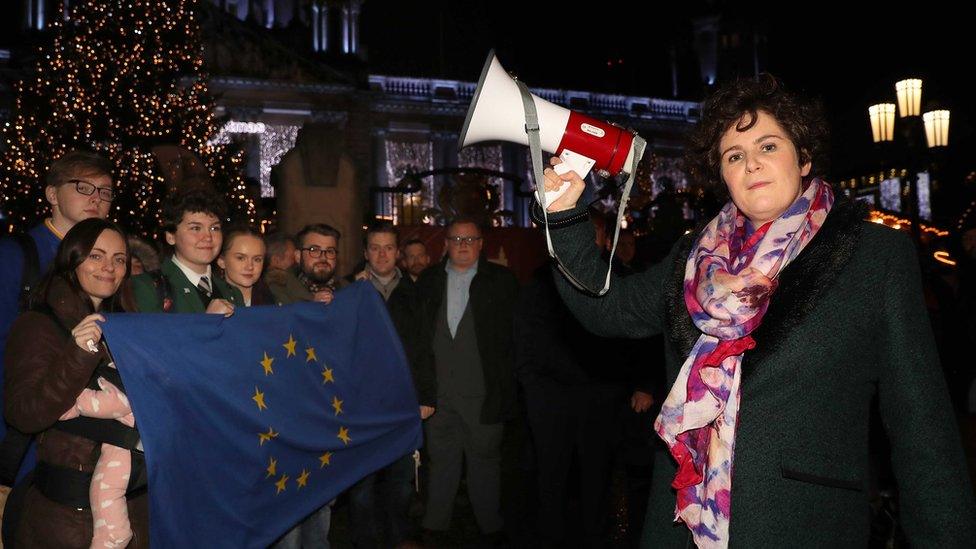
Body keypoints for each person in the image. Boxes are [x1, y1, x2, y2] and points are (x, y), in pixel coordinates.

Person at [537, 75, 976, 547]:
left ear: (803, 157)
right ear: (721, 176)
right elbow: (608, 311)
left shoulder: (873, 256)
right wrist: (564, 215)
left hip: (802, 525)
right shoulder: (692, 261)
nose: (751, 164)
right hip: (684, 527)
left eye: (768, 146)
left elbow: (921, 427)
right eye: (734, 155)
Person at [4, 218, 149, 547]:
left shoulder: (127, 326)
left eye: (119, 259)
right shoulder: (37, 325)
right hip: (68, 518)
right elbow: (24, 413)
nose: (109, 267)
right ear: (72, 258)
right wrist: (78, 353)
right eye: (96, 256)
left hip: (136, 508)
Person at [0, 150, 115, 486]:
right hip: (23, 425)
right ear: (52, 194)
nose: (96, 199)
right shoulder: (16, 255)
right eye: (83, 187)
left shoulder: (111, 260)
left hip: (85, 430)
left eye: (105, 192)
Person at [416, 217, 518, 545]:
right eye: (456, 238)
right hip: (437, 396)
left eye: (470, 239)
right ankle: (435, 523)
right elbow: (416, 340)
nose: (463, 244)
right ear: (445, 244)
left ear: (481, 244)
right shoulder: (428, 281)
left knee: (485, 464)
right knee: (440, 460)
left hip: (484, 395)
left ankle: (490, 525)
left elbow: (516, 341)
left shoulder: (501, 282)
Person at [347, 222, 435, 548]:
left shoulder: (416, 292)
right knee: (362, 485)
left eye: (388, 248)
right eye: (375, 247)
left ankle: (400, 539)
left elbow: (427, 347)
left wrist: (427, 395)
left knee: (401, 483)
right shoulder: (349, 292)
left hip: (403, 403)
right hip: (362, 405)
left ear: (397, 253)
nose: (382, 254)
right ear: (365, 252)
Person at [129, 189, 241, 314]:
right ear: (171, 236)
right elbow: (152, 333)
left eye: (214, 228)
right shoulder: (149, 287)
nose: (208, 237)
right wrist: (207, 321)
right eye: (196, 228)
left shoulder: (233, 293)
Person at [267, 224, 346, 306]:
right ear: (298, 256)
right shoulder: (278, 290)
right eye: (314, 250)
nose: (323, 258)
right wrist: (311, 305)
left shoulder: (348, 291)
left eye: (330, 251)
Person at [217, 226, 276, 306]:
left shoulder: (276, 297)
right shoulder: (208, 299)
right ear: (221, 261)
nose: (250, 267)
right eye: (241, 258)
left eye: (257, 259)